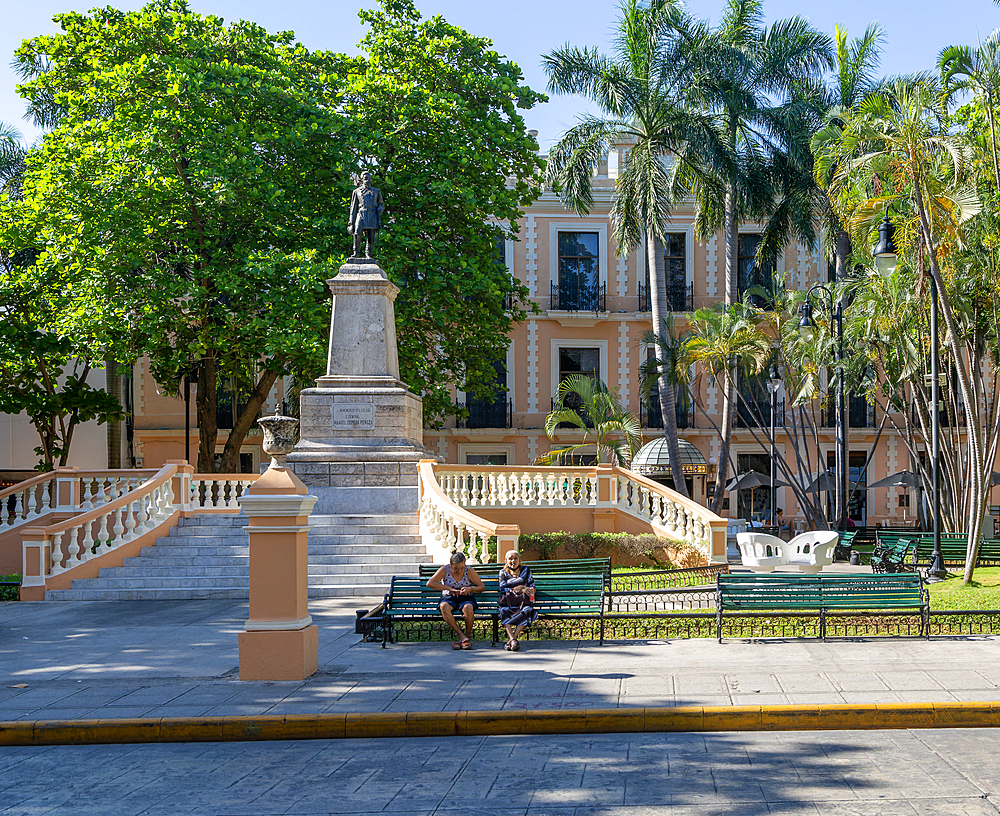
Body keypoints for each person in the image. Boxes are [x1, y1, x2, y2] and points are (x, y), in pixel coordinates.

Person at [426, 551, 485, 650]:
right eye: (455, 568)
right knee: (443, 606)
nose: (459, 571)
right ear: (451, 565)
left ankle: (468, 636)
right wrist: (448, 588)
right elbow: (430, 583)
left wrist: (470, 589)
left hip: (466, 597)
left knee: (468, 607)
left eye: (462, 568)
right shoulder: (444, 569)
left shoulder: (469, 570)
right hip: (449, 597)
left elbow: (481, 587)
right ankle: (461, 635)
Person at [498, 550, 538, 651]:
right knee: (503, 611)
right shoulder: (503, 572)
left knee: (527, 610)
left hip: (524, 601)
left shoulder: (526, 570)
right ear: (506, 561)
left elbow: (532, 586)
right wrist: (519, 588)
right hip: (508, 601)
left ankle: (512, 640)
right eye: (510, 558)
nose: (513, 560)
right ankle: (513, 640)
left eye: (515, 558)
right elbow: (502, 588)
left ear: (520, 560)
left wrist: (529, 590)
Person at [348, 170, 385, 259]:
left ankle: (368, 254)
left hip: (372, 214)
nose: (368, 180)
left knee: (371, 234)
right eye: (365, 178)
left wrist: (380, 209)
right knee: (357, 232)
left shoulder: (376, 191)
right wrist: (350, 223)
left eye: (369, 178)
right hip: (361, 213)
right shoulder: (357, 191)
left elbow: (381, 204)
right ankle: (356, 252)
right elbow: (353, 207)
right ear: (362, 180)